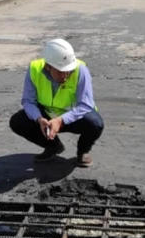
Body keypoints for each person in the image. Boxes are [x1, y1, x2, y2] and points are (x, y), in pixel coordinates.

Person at [9, 38, 104, 167]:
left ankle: (83, 151)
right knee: (17, 121)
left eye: (68, 71)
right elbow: (28, 101)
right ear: (48, 66)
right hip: (47, 116)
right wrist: (39, 119)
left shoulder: (81, 70)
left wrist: (61, 120)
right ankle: (53, 146)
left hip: (74, 116)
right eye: (60, 72)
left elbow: (85, 105)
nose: (65, 76)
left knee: (95, 124)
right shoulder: (34, 69)